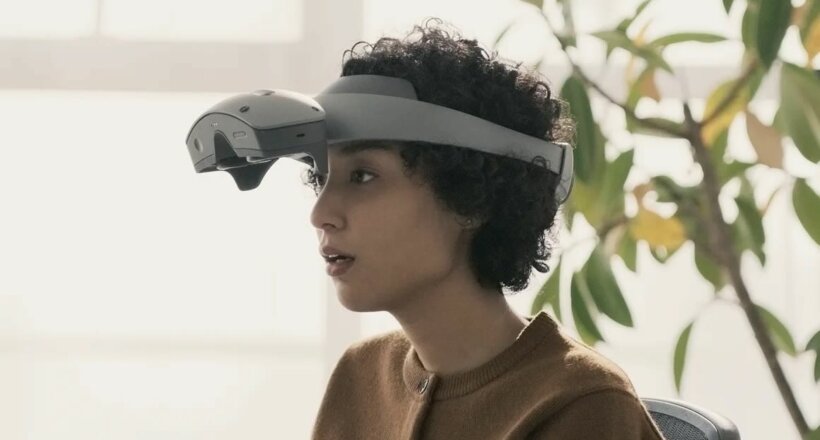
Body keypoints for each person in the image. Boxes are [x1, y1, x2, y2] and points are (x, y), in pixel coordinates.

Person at [305, 17, 667, 440]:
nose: (321, 213)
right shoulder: (359, 375)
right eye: (320, 178)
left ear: (470, 198)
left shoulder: (581, 406)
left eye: (363, 175)